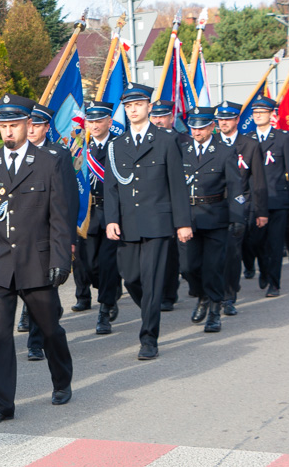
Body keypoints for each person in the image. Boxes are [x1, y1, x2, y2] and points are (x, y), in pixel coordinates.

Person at [0, 93, 73, 423]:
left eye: (13, 125)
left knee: (49, 329)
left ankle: (61, 379)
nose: (8, 131)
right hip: (0, 264)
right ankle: (1, 403)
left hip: (36, 262)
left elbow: (59, 216)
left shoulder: (48, 163)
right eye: (3, 126)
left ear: (28, 124)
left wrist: (61, 258)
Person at [104, 84, 191, 359]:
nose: (133, 110)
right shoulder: (117, 145)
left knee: (152, 281)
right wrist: (111, 220)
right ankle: (149, 309)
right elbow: (111, 187)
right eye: (128, 106)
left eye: (138, 105)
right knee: (131, 278)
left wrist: (183, 223)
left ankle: (149, 338)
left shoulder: (166, 140)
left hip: (157, 222)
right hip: (127, 223)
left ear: (149, 107)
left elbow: (177, 185)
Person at [16, 102, 80, 359]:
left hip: (49, 235)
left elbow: (68, 199)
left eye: (37, 125)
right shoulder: (16, 153)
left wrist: (69, 239)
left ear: (46, 128)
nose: (31, 130)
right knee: (30, 289)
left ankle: (36, 341)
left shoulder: (58, 154)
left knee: (44, 287)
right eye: (28, 124)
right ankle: (46, 317)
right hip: (22, 234)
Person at [177, 107, 244, 333]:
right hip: (189, 217)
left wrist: (237, 217)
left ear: (212, 127)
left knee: (213, 267)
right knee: (187, 267)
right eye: (193, 127)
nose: (196, 131)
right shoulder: (182, 150)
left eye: (201, 127)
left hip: (216, 216)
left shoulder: (224, 151)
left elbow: (235, 186)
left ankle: (215, 310)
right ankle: (202, 296)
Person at [215, 101, 269, 308]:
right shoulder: (213, 142)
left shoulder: (250, 145)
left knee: (231, 253)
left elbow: (259, 181)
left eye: (228, 119)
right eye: (221, 119)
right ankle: (212, 293)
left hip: (239, 207)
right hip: (213, 207)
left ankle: (229, 296)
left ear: (237, 120)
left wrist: (260, 211)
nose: (224, 123)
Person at [247, 95, 289, 296]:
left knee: (275, 243)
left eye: (262, 112)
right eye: (255, 113)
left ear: (271, 115)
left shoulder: (283, 138)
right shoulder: (248, 139)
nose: (258, 115)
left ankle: (274, 283)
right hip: (255, 200)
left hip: (277, 199)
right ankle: (264, 269)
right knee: (255, 241)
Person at [82, 101, 122, 334]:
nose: (95, 125)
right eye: (91, 121)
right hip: (87, 214)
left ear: (109, 122)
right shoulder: (80, 147)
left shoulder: (118, 146)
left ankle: (105, 309)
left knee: (107, 263)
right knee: (89, 266)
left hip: (110, 212)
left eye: (99, 120)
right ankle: (110, 287)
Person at [149, 100, 183, 311]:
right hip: (152, 203)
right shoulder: (147, 141)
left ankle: (168, 294)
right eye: (155, 116)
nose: (158, 120)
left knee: (170, 254)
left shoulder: (181, 140)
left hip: (172, 204)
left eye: (163, 116)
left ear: (172, 118)